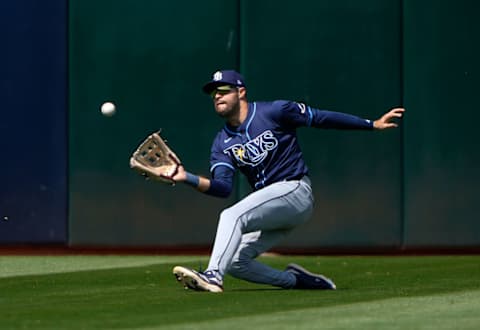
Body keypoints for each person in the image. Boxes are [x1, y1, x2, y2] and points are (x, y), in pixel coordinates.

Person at [171, 70, 404, 293]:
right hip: (272, 210)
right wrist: (185, 178)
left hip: (295, 191)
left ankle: (213, 275)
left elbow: (320, 117)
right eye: (214, 93)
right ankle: (296, 280)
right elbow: (223, 188)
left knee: (231, 216)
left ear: (241, 92)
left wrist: (371, 124)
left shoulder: (275, 111)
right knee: (234, 262)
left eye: (223, 89)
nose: (218, 96)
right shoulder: (221, 143)